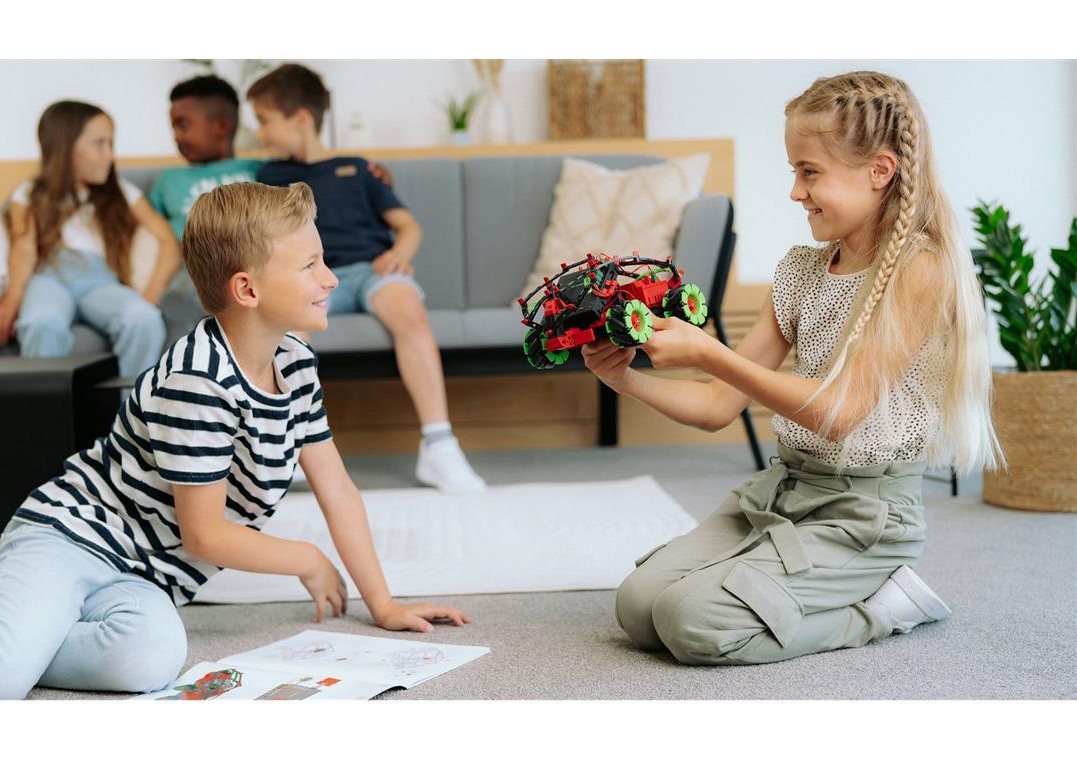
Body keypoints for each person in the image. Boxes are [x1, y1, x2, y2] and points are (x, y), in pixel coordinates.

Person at [0, 181, 471, 700]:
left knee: (149, 660)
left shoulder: (295, 361)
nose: (330, 279)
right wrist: (307, 557)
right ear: (247, 290)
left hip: (142, 578)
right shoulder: (197, 380)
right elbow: (205, 536)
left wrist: (383, 604)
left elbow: (337, 487)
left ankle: (12, 636)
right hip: (68, 537)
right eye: (310, 265)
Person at [583, 71, 1002, 665]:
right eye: (794, 172)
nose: (796, 192)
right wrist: (624, 378)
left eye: (810, 172)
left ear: (879, 172)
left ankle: (881, 608)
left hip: (866, 513)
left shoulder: (920, 269)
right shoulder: (801, 271)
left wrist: (709, 352)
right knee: (638, 607)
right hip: (787, 491)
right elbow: (714, 407)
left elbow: (839, 414)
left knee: (692, 623)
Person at [247, 62, 486, 495]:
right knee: (291, 325)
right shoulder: (270, 178)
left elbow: (409, 227)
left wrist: (398, 254)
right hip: (313, 276)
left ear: (301, 118)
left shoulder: (358, 169)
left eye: (264, 120)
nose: (259, 133)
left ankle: (439, 445)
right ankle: (293, 439)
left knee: (409, 310)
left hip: (373, 271)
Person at [150, 74, 394, 356]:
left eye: (182, 125)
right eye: (173, 127)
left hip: (254, 264)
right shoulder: (168, 180)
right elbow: (151, 232)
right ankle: (187, 375)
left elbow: (319, 182)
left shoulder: (267, 170)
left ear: (222, 126)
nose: (176, 136)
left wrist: (374, 175)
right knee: (183, 295)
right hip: (198, 268)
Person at [0, 100, 179, 379]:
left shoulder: (121, 191)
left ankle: (130, 417)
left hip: (100, 282)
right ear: (65, 147)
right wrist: (10, 300)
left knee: (144, 319)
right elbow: (23, 247)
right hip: (48, 278)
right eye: (99, 144)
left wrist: (148, 299)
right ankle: (46, 417)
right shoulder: (29, 193)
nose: (109, 155)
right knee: (41, 323)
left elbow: (168, 243)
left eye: (111, 144)